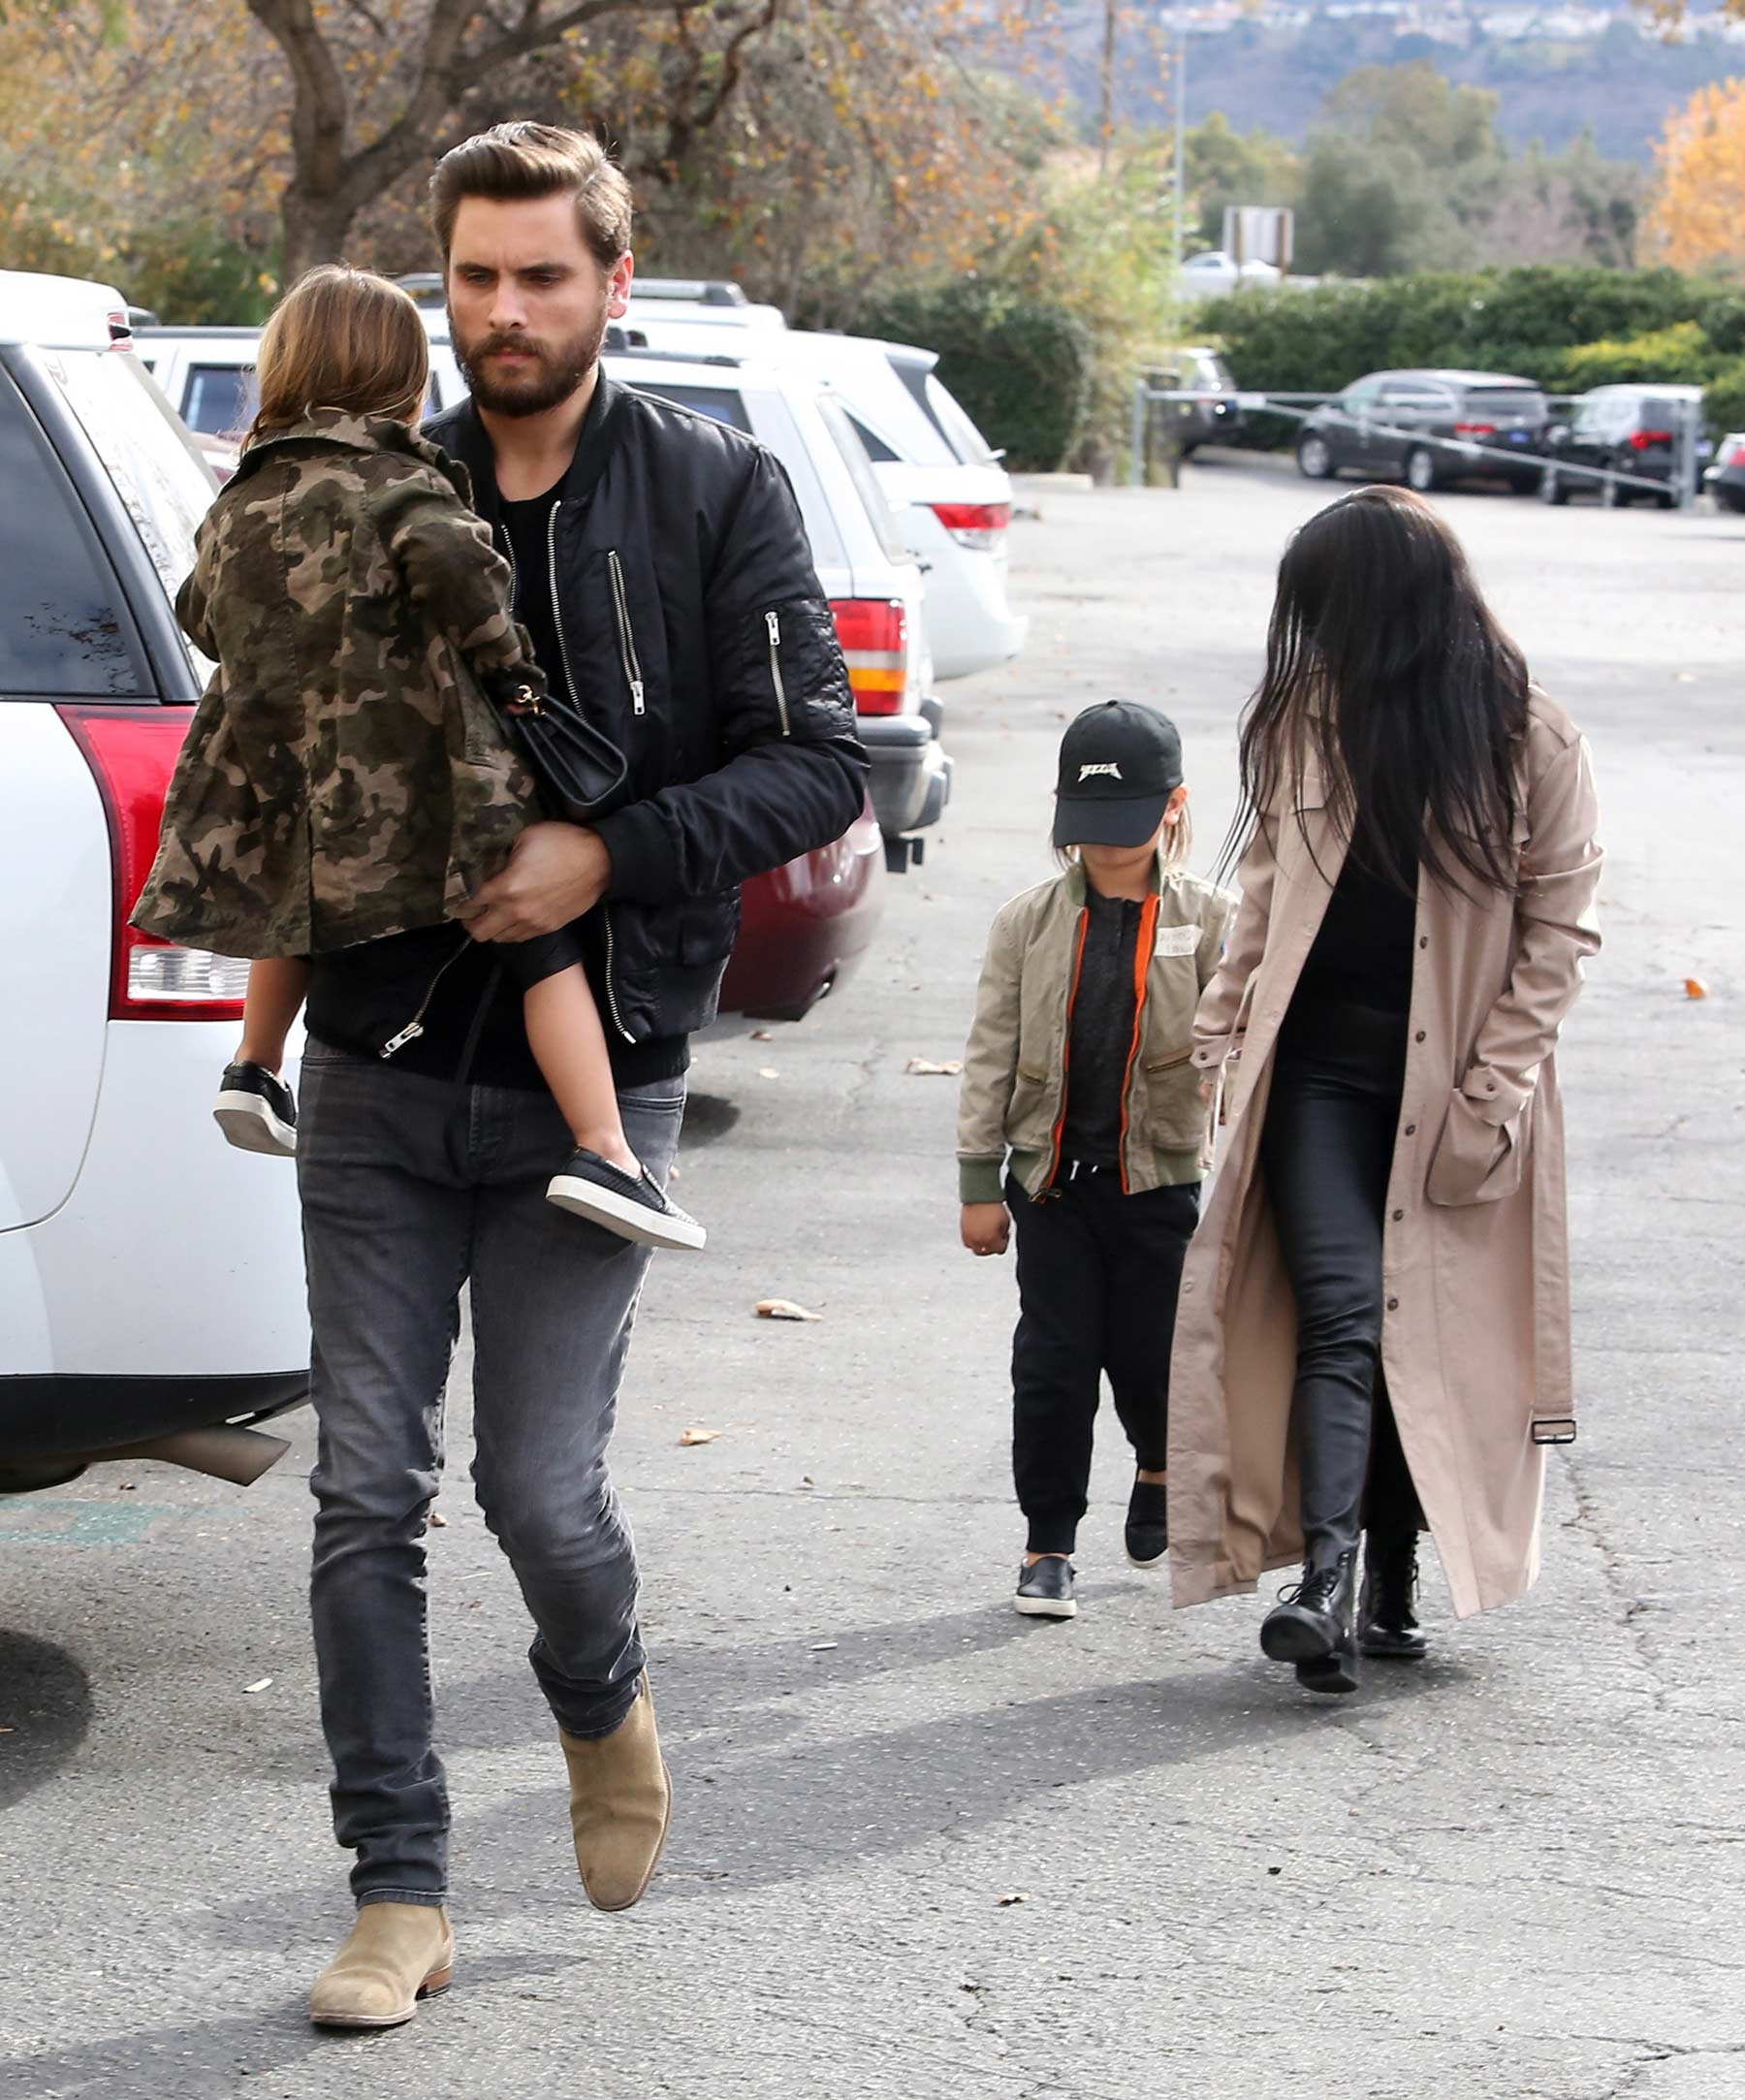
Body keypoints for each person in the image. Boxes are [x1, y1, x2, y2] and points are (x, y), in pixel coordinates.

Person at [229, 126, 865, 2027]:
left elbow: (817, 760)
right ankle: (396, 1895)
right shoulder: (370, 481)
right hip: (379, 1061)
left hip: (606, 1076)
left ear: (613, 281)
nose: (504, 312)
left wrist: (607, 853)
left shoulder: (712, 491)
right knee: (364, 1490)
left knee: (538, 1487)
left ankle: (602, 1696)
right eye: (476, 277)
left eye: (543, 277)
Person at [133, 264, 705, 1254]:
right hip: (414, 769)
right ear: (405, 384)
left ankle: (256, 1065)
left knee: (296, 905)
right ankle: (606, 1149)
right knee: (531, 931)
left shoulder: (245, 497)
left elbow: (201, 615)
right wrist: (511, 665)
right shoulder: (405, 484)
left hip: (280, 773)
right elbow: (464, 575)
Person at [1169, 486, 1602, 1696]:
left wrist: (1490, 1094)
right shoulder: (1312, 722)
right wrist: (1219, 1038)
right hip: (1313, 1073)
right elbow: (1263, 898)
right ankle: (1329, 1579)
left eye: (1328, 611)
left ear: (1388, 608)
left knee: (1428, 1330)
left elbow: (1561, 932)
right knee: (1344, 1312)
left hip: (1457, 1088)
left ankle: (1396, 1577)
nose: (1312, 640)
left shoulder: (1528, 736)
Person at [958, 701, 1233, 1622]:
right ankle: (1048, 1544)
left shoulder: (1212, 920)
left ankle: (1157, 1463)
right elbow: (991, 1052)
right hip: (1050, 1187)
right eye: (1087, 830)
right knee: (1053, 1362)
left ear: (1174, 808)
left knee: (1150, 1356)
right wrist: (977, 1183)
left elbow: (1245, 1045)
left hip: (1160, 1186)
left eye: (1127, 828)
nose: (1105, 849)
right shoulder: (1025, 924)